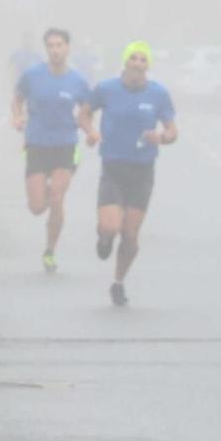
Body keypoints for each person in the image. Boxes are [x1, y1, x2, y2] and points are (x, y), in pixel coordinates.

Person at [79, 40, 177, 306]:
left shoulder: (158, 94)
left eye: (143, 59)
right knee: (111, 226)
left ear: (148, 65)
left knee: (131, 235)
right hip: (113, 167)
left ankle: (118, 282)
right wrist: (91, 132)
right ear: (125, 62)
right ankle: (104, 239)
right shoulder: (106, 89)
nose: (137, 63)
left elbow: (172, 130)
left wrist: (161, 137)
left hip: (142, 171)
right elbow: (84, 114)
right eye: (133, 58)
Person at [9, 27, 91, 272]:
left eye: (59, 45)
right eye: (51, 46)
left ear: (67, 48)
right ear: (46, 49)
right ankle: (44, 190)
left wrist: (90, 130)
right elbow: (17, 97)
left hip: (65, 145)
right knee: (37, 207)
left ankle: (49, 251)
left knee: (56, 198)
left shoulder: (77, 81)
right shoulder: (32, 75)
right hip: (36, 144)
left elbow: (87, 109)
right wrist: (17, 116)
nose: (55, 50)